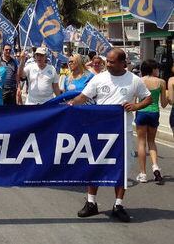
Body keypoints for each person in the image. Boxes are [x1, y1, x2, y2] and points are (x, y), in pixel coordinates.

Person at [69, 48, 152, 222]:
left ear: (123, 63)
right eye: (107, 60)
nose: (107, 64)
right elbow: (83, 97)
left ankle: (118, 205)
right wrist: (70, 104)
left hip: (123, 132)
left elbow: (148, 98)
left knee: (121, 169)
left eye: (112, 61)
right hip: (100, 131)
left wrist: (136, 107)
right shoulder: (99, 78)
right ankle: (91, 203)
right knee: (95, 165)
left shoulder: (134, 80)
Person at [135, 60, 168, 185]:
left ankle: (143, 174)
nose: (158, 71)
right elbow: (164, 103)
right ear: (153, 69)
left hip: (141, 112)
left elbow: (134, 99)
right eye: (156, 69)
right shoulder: (161, 82)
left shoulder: (139, 81)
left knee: (141, 142)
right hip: (154, 113)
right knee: (151, 141)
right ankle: (155, 166)